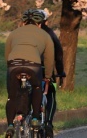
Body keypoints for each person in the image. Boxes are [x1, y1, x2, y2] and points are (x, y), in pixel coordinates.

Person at [5, 9, 55, 138]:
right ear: (40, 23)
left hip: (13, 65)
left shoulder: (13, 33)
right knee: (37, 87)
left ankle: (10, 126)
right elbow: (49, 59)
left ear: (23, 23)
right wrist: (48, 76)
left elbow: (7, 55)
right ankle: (35, 118)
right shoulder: (45, 35)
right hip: (33, 66)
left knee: (11, 97)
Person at [33, 9, 66, 138]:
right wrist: (60, 71)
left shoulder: (26, 33)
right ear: (45, 21)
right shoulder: (49, 34)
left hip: (26, 67)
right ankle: (48, 123)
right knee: (51, 93)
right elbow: (58, 54)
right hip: (44, 69)